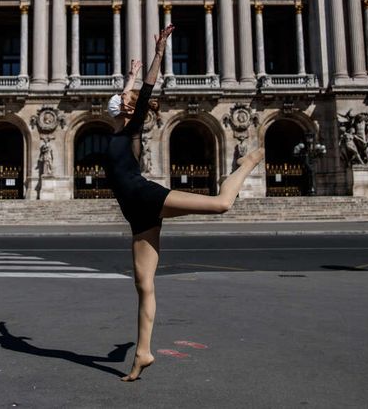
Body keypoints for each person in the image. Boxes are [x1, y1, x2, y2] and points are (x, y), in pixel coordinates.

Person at [104, 25, 264, 382]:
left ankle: (247, 164)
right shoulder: (116, 126)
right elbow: (125, 95)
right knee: (144, 284)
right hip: (135, 212)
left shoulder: (130, 128)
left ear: (129, 111)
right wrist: (129, 77)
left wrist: (158, 53)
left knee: (222, 204)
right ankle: (143, 353)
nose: (123, 98)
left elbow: (144, 90)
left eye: (125, 99)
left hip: (145, 195)